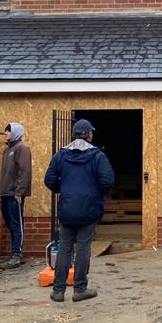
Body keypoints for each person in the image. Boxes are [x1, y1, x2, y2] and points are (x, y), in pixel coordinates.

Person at [44, 118, 115, 302]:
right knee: (84, 247)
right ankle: (80, 289)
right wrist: (95, 193)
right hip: (89, 208)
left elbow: (49, 180)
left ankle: (58, 291)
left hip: (67, 208)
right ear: (89, 134)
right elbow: (107, 181)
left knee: (65, 247)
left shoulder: (61, 155)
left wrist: (64, 190)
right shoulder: (98, 155)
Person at [0, 122, 31, 270]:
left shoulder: (22, 149)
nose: (6, 134)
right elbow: (4, 174)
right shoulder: (7, 151)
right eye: (5, 131)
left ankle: (16, 255)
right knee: (10, 224)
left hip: (15, 194)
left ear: (15, 132)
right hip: (6, 193)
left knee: (17, 224)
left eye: (8, 131)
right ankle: (14, 253)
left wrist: (20, 192)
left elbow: (25, 171)